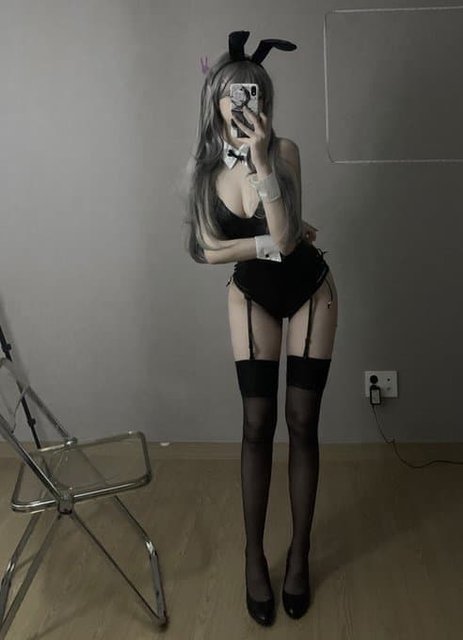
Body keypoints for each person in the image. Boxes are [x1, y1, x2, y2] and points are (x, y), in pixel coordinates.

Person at [183, 30, 338, 626]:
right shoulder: (205, 171)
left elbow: (288, 236)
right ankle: (254, 557)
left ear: (264, 99)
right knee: (256, 423)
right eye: (232, 92)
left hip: (310, 291)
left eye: (253, 91)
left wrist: (263, 161)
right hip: (251, 297)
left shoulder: (285, 151)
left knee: (302, 421)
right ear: (215, 99)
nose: (243, 101)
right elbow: (204, 250)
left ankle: (299, 553)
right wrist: (265, 245)